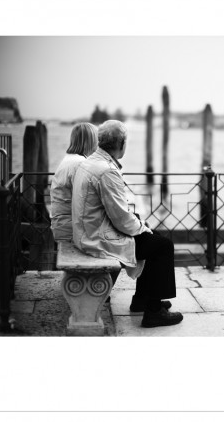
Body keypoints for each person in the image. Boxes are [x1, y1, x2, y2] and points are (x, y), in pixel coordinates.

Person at [72, 120, 183, 328]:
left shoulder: (91, 162)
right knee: (163, 246)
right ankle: (153, 312)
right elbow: (122, 219)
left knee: (153, 238)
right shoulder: (106, 170)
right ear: (121, 143)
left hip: (88, 232)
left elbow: (116, 214)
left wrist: (142, 227)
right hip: (97, 238)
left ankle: (143, 299)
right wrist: (142, 227)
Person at [50, 123, 98, 241]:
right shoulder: (80, 164)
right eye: (97, 140)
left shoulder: (70, 159)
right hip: (71, 229)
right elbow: (87, 203)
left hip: (62, 225)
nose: (98, 145)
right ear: (90, 142)